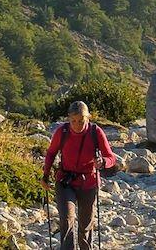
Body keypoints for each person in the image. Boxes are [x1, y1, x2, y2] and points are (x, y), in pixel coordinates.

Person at [43, 101, 117, 250]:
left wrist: (103, 162)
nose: (77, 125)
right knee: (66, 220)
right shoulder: (62, 132)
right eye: (73, 121)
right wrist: (45, 175)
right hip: (65, 182)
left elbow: (111, 157)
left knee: (86, 224)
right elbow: (51, 153)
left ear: (88, 118)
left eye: (81, 121)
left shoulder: (95, 132)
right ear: (68, 119)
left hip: (88, 183)